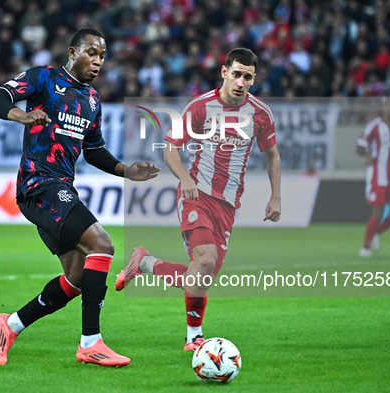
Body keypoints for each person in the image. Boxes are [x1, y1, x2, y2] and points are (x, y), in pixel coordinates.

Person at [0, 27, 159, 367]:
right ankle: (90, 343)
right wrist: (23, 115)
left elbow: (94, 151)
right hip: (38, 183)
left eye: (103, 56)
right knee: (103, 246)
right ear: (72, 52)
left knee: (79, 276)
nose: (98, 61)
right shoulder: (43, 78)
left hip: (59, 186)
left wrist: (127, 170)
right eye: (92, 53)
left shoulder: (92, 100)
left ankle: (11, 324)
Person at [115, 48, 281, 351]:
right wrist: (186, 179)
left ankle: (146, 262)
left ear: (254, 79)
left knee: (201, 277)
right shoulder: (200, 107)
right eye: (236, 74)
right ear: (224, 72)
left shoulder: (261, 114)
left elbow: (272, 155)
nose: (241, 81)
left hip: (228, 204)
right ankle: (194, 337)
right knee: (204, 260)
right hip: (197, 195)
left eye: (247, 77)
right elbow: (170, 149)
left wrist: (276, 197)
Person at [356, 95, 390, 257]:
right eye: (387, 105)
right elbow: (359, 146)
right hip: (378, 174)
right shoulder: (374, 126)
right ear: (382, 108)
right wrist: (368, 154)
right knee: (378, 210)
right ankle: (365, 247)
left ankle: (376, 232)